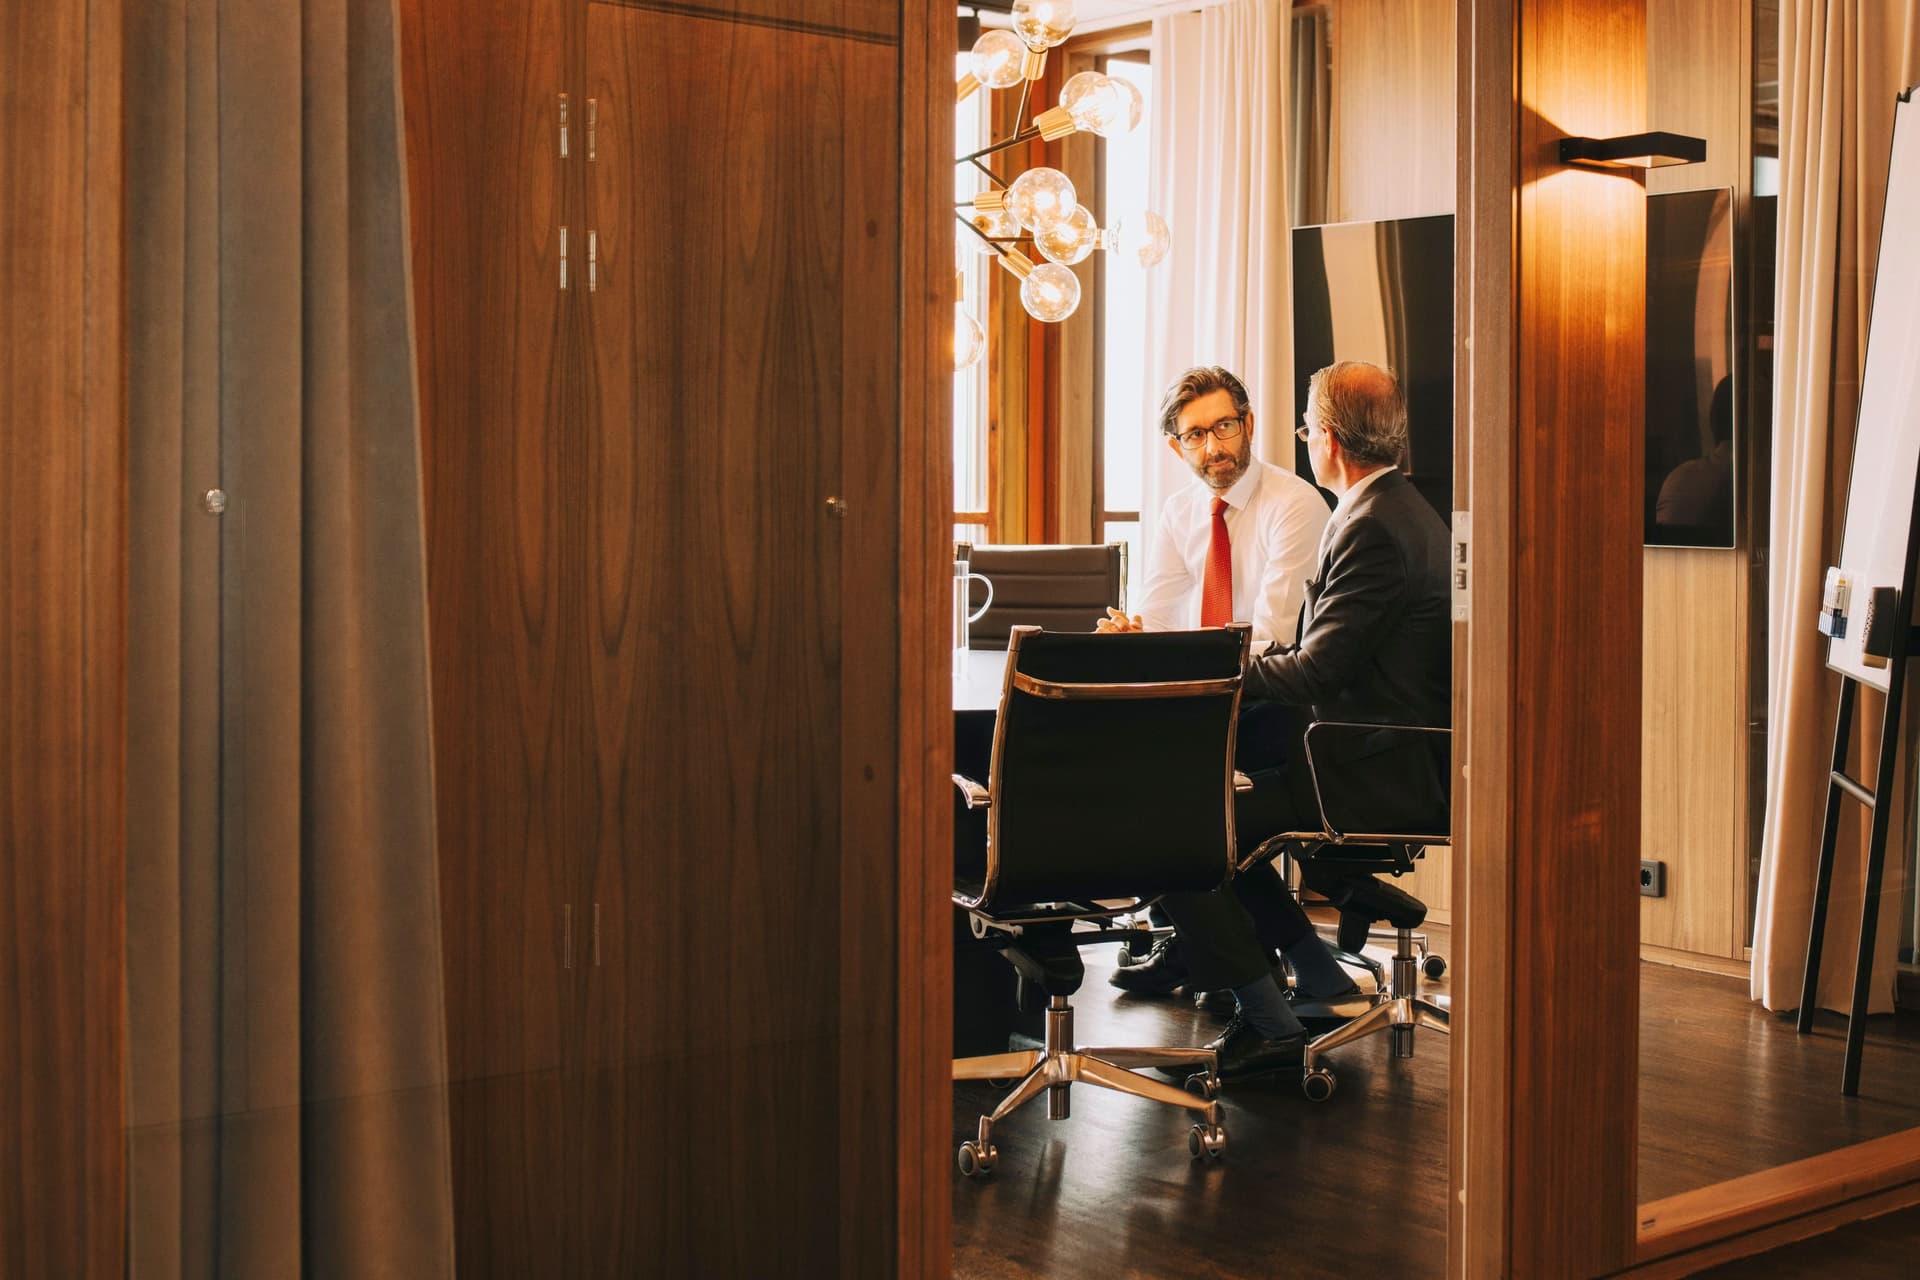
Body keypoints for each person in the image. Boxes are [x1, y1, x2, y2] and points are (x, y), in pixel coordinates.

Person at [1119, 360, 1452, 1083]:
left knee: (1172, 823)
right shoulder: (1393, 510)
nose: (1303, 435)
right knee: (1198, 805)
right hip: (1364, 748)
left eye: (1306, 424)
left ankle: (1269, 1024)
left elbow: (1312, 670)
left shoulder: (1370, 526)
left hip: (1361, 768)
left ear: (1326, 439)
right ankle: (1311, 973)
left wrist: (1199, 673)